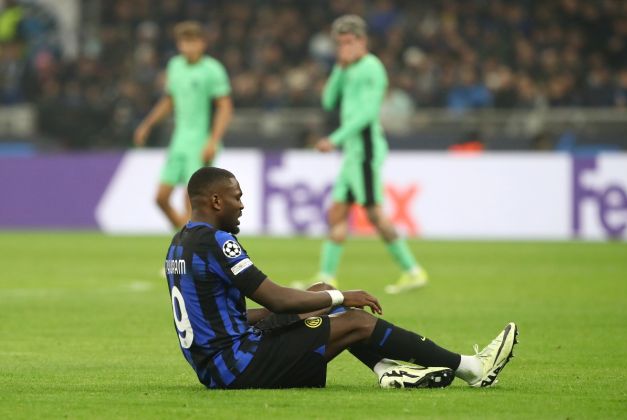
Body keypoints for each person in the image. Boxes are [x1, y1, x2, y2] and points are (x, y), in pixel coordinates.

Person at [164, 166, 518, 389]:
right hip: (237, 366)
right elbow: (277, 299)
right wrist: (343, 298)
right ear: (214, 200)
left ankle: (386, 370)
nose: (242, 205)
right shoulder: (218, 242)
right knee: (354, 320)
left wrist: (312, 306)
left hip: (214, 363)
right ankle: (471, 368)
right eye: (236, 197)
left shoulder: (179, 244)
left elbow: (219, 317)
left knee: (320, 291)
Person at [312, 15, 427, 294]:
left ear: (362, 41)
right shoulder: (347, 68)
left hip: (365, 149)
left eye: (349, 42)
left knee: (374, 213)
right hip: (352, 152)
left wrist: (334, 139)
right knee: (337, 213)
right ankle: (326, 278)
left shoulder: (373, 68)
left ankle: (413, 271)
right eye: (339, 43)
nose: (345, 48)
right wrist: (339, 68)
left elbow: (367, 115)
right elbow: (328, 100)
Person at [134, 21, 233, 229]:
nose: (188, 47)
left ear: (202, 44)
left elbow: (225, 107)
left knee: (190, 200)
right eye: (184, 42)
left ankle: (186, 253)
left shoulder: (212, 70)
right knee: (161, 198)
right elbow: (169, 100)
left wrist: (213, 141)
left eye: (192, 41)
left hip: (200, 142)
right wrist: (147, 124)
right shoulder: (175, 66)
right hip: (179, 140)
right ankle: (187, 239)